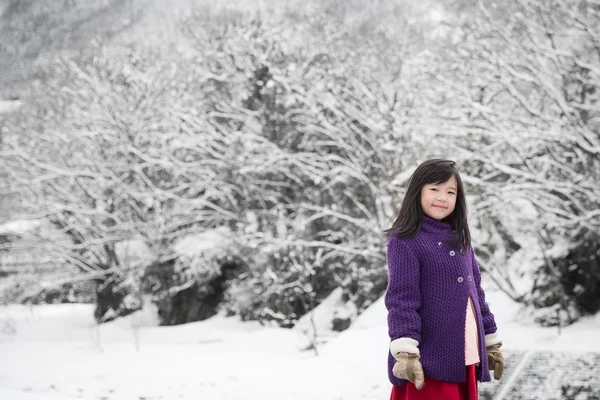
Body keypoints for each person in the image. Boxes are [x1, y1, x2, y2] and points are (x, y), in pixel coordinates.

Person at [384, 159, 504, 400]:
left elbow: (477, 295)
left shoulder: (460, 239)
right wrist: (406, 353)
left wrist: (490, 341)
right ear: (417, 191)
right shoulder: (405, 241)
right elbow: (402, 300)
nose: (443, 197)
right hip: (428, 362)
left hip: (464, 358)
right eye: (434, 189)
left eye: (451, 192)